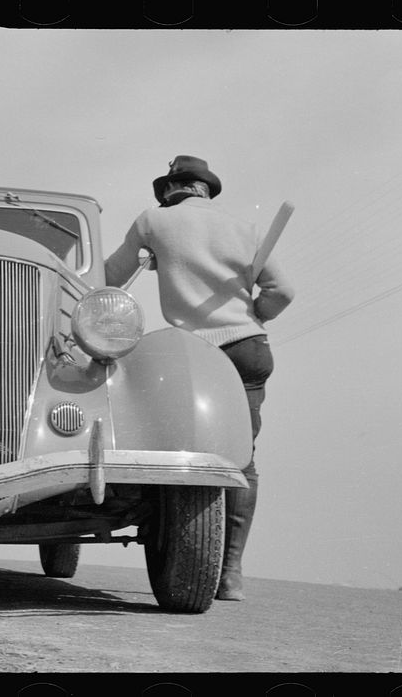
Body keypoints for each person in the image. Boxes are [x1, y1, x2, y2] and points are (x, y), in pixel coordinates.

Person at [105, 155, 295, 601]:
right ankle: (230, 575)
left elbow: (111, 277)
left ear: (172, 189)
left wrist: (158, 260)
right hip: (249, 347)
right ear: (205, 189)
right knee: (242, 461)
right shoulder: (245, 230)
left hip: (195, 354)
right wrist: (251, 316)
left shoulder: (156, 220)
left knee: (181, 451)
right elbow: (282, 291)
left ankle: (186, 553)